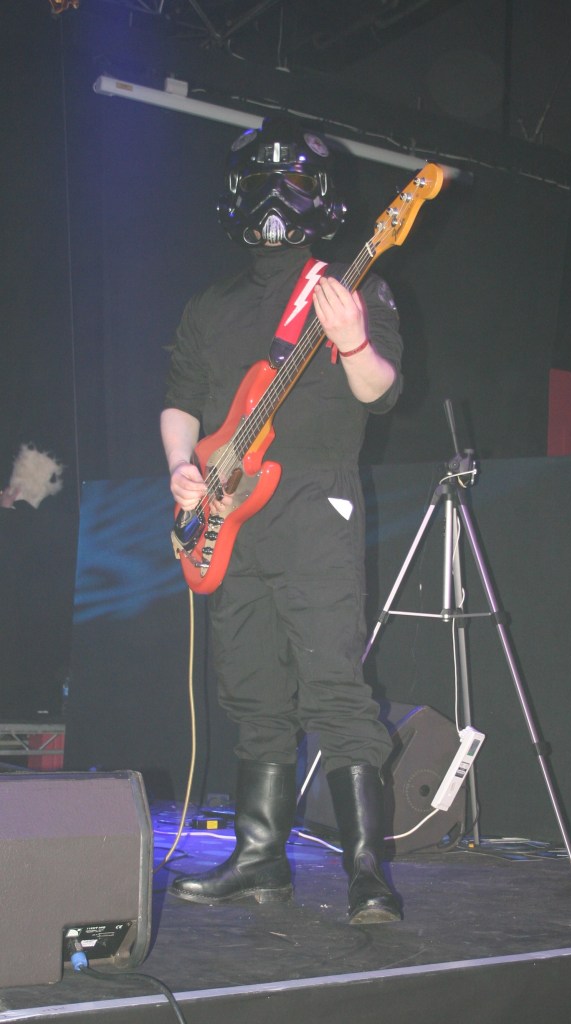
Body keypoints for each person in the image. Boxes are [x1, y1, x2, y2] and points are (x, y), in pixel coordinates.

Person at [160, 115, 403, 924]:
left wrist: (354, 340)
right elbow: (180, 400)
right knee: (252, 690)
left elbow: (379, 391)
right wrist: (182, 468)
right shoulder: (210, 304)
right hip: (231, 515)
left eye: (292, 178)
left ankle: (368, 873)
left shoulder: (352, 286)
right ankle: (261, 858)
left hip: (314, 506)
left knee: (334, 684)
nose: (275, 195)